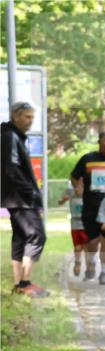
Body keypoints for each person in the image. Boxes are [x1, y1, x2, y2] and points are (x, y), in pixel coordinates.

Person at [2, 101, 48, 297]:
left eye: (32, 117)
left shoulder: (13, 136)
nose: (30, 121)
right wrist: (29, 192)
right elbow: (11, 168)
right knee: (37, 236)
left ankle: (18, 285)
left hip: (16, 198)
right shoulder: (11, 136)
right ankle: (25, 284)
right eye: (27, 117)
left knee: (20, 238)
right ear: (15, 116)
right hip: (20, 198)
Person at [71, 130, 105, 284]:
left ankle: (104, 272)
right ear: (99, 143)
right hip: (90, 207)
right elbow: (74, 176)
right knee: (92, 242)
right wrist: (77, 187)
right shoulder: (88, 159)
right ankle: (91, 263)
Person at [59, 180, 87, 277]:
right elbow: (60, 202)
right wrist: (65, 199)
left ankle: (89, 267)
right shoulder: (70, 191)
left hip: (86, 223)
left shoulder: (88, 191)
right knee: (77, 247)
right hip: (75, 223)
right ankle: (77, 262)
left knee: (87, 247)